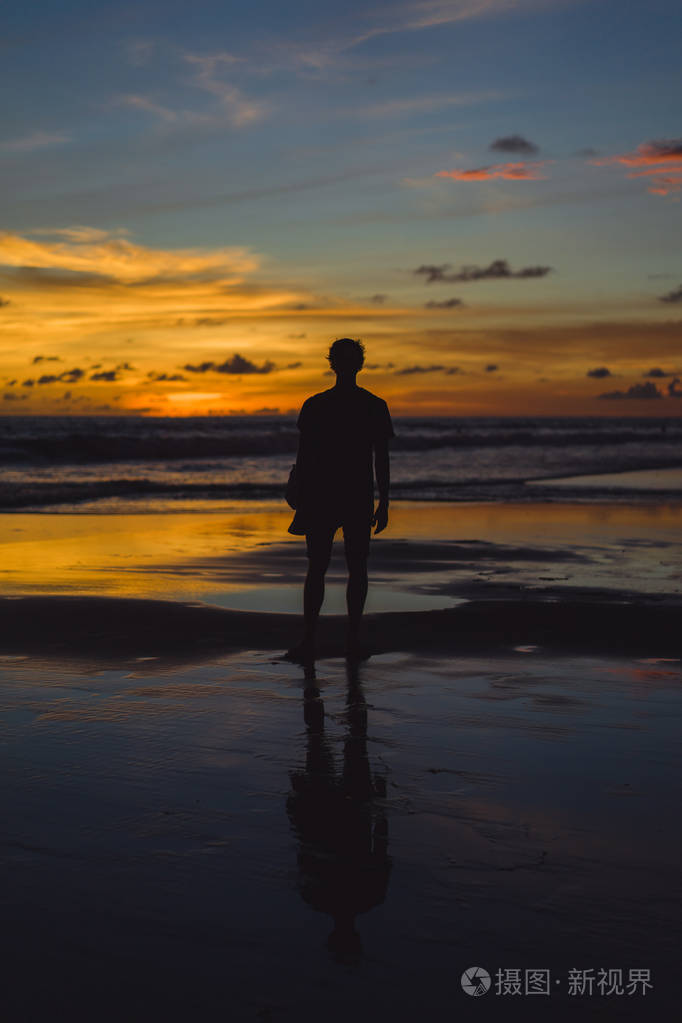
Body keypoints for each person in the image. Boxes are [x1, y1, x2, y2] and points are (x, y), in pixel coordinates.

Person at [286, 338, 394, 662]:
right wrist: (384, 501)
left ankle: (328, 640)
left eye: (349, 360)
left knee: (331, 568)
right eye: (344, 360)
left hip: (339, 497)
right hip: (337, 496)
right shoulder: (369, 405)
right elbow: (304, 457)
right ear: (339, 364)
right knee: (341, 568)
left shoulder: (320, 405)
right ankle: (341, 640)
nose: (346, 366)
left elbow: (381, 459)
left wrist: (385, 501)